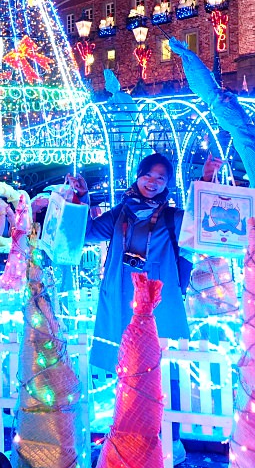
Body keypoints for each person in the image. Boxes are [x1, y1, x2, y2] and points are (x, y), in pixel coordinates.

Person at [69, 152, 222, 372]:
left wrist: (206, 178)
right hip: (120, 294)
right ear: (138, 177)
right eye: (148, 175)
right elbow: (87, 233)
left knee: (161, 364)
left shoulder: (173, 218)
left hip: (157, 297)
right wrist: (82, 196)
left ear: (166, 183)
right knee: (123, 362)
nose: (152, 182)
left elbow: (201, 221)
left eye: (160, 178)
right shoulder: (118, 215)